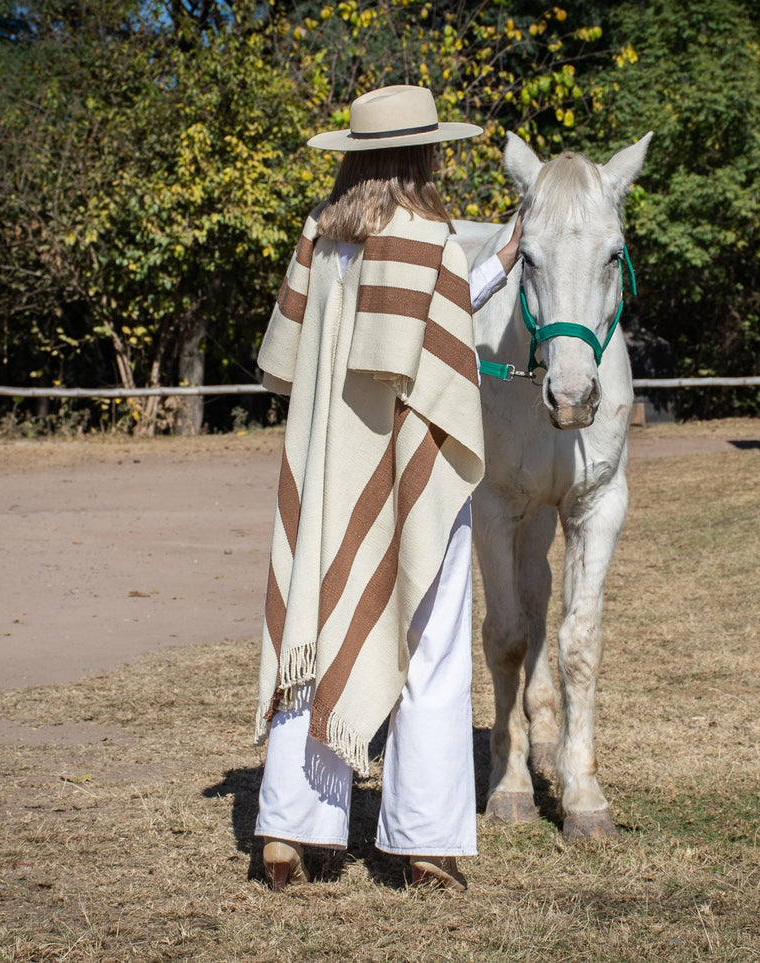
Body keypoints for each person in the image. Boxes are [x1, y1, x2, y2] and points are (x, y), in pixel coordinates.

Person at [252, 85, 521, 892]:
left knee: (315, 622)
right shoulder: (430, 236)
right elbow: (439, 335)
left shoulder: (317, 237)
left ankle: (286, 830)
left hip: (332, 471)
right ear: (423, 154)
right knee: (430, 643)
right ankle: (424, 840)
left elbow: (291, 362)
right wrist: (500, 264)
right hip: (409, 470)